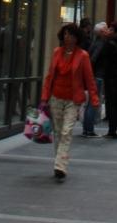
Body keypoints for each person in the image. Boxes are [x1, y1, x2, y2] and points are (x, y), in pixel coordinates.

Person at [41, 22, 98, 180]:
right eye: (65, 34)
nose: (67, 37)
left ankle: (60, 166)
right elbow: (49, 77)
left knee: (66, 131)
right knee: (59, 132)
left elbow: (89, 79)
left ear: (76, 38)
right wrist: (44, 97)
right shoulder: (56, 53)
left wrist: (94, 99)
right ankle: (59, 162)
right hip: (56, 98)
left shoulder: (83, 56)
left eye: (71, 35)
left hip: (73, 100)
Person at [82, 21, 107, 137]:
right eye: (106, 29)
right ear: (101, 32)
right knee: (93, 103)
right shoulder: (101, 44)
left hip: (94, 75)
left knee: (90, 103)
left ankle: (87, 128)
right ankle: (89, 129)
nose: (107, 31)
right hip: (97, 75)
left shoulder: (94, 42)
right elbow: (93, 59)